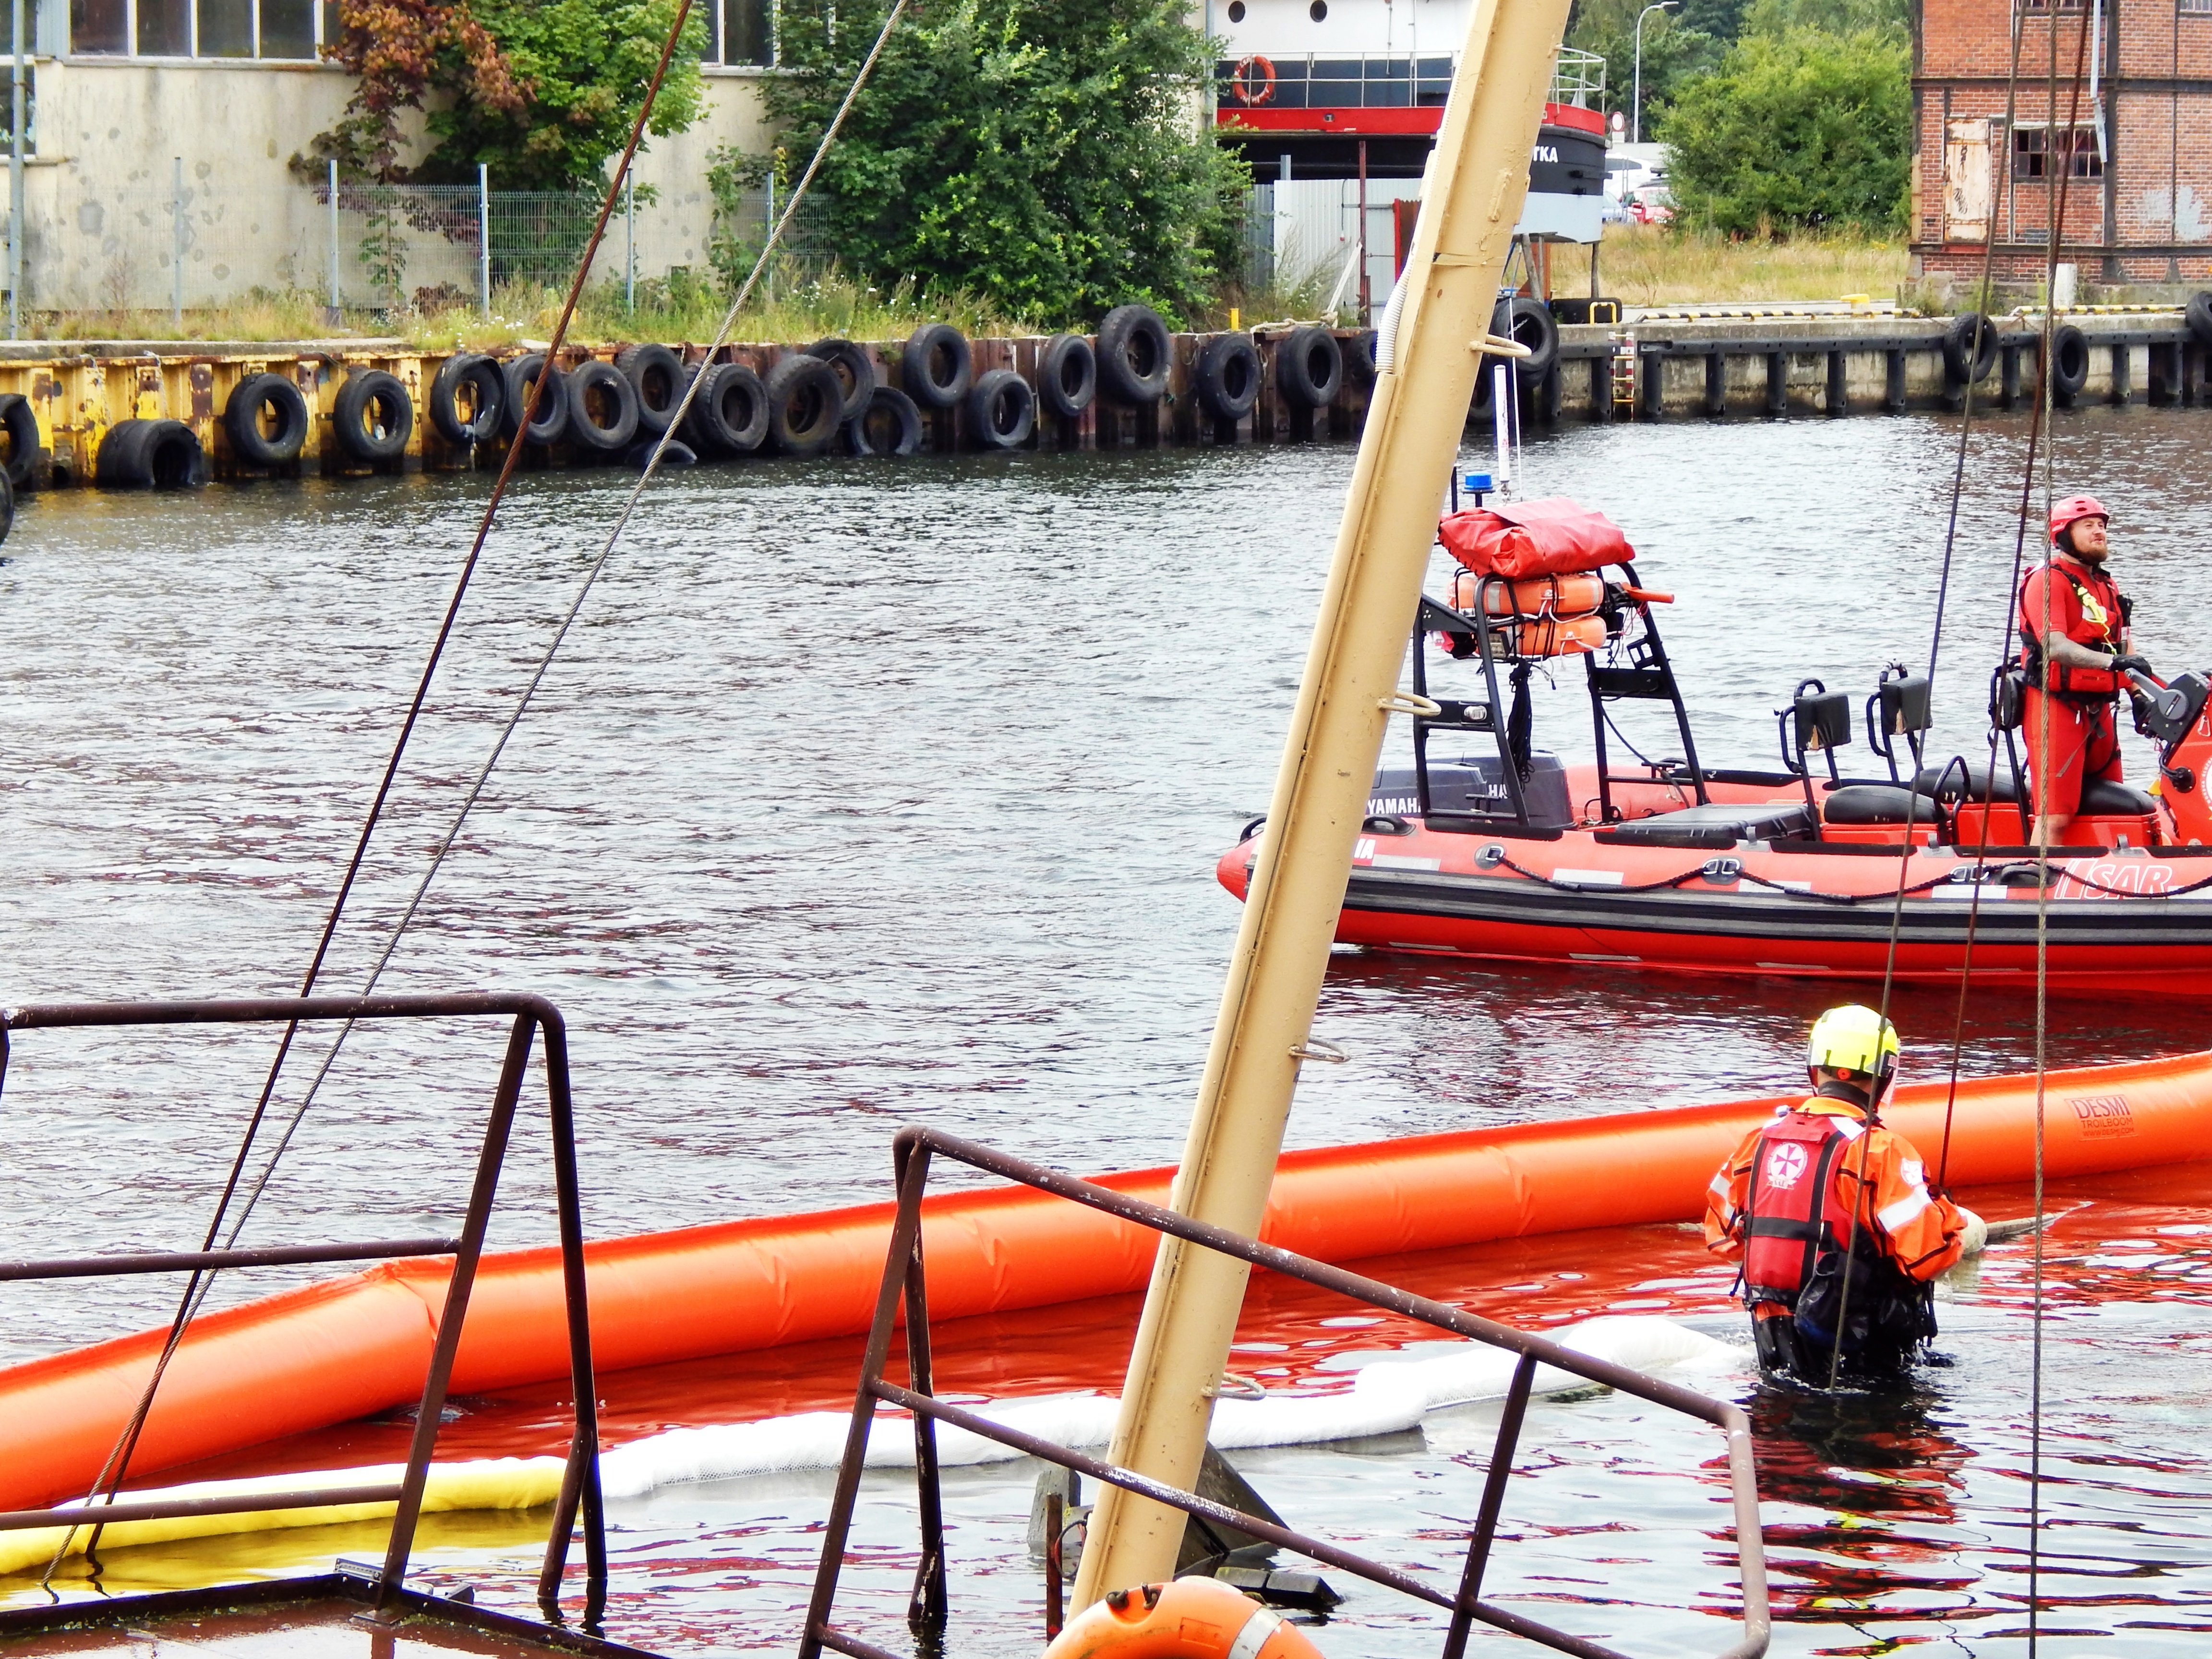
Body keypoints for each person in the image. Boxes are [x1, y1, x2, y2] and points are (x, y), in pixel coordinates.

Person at [1704, 1006, 1968, 1382]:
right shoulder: (1881, 1150)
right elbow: (1927, 1257)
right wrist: (1951, 1219)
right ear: (1886, 1074)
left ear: (1815, 1068)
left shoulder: (1758, 1141)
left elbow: (1722, 1240)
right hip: (1864, 1357)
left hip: (1775, 1351)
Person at [2017, 495, 2153, 846]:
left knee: (2115, 803)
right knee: (2056, 816)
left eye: (2102, 525)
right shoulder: (2047, 582)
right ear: (2063, 535)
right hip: (2055, 708)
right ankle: (2035, 880)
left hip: (2099, 711)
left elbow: (2123, 645)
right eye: (2089, 525)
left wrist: (2138, 694)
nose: (2100, 532)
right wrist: (2113, 663)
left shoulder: (2107, 585)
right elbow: (2055, 646)